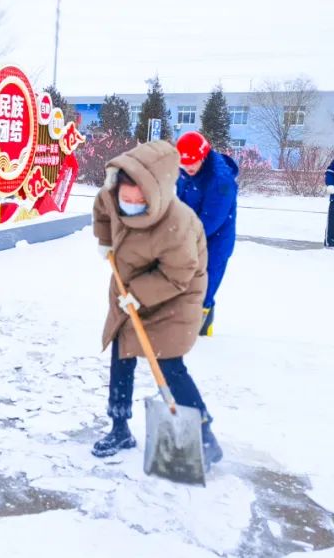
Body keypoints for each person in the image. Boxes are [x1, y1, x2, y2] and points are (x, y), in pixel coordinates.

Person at [90, 141, 222, 468]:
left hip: (174, 295)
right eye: (126, 198)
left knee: (168, 365)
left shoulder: (177, 223)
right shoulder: (112, 196)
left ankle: (204, 435)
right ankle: (119, 427)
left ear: (155, 193)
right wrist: (105, 240)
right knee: (122, 356)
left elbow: (180, 273)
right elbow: (102, 209)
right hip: (128, 289)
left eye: (139, 200)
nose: (131, 204)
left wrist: (141, 294)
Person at [175, 131, 238, 337]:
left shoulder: (221, 181)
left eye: (192, 162)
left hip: (216, 239)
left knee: (205, 282)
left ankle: (201, 332)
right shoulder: (186, 170)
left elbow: (211, 220)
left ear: (203, 155)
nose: (188, 167)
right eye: (184, 163)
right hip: (192, 232)